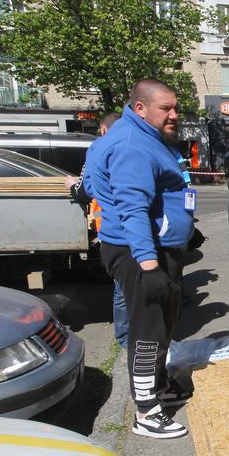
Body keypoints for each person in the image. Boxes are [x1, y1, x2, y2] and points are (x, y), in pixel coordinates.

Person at [85, 78, 196, 439]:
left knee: (163, 323)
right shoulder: (132, 144)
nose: (174, 115)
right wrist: (149, 267)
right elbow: (132, 208)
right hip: (141, 253)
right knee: (149, 330)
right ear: (140, 108)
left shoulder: (145, 137)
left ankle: (159, 388)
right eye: (166, 108)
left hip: (155, 247)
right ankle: (146, 412)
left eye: (175, 107)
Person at [72, 112, 128, 348]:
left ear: (103, 130)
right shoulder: (136, 146)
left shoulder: (97, 149)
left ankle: (126, 339)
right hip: (137, 232)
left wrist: (73, 187)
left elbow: (84, 189)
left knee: (122, 290)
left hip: (113, 232)